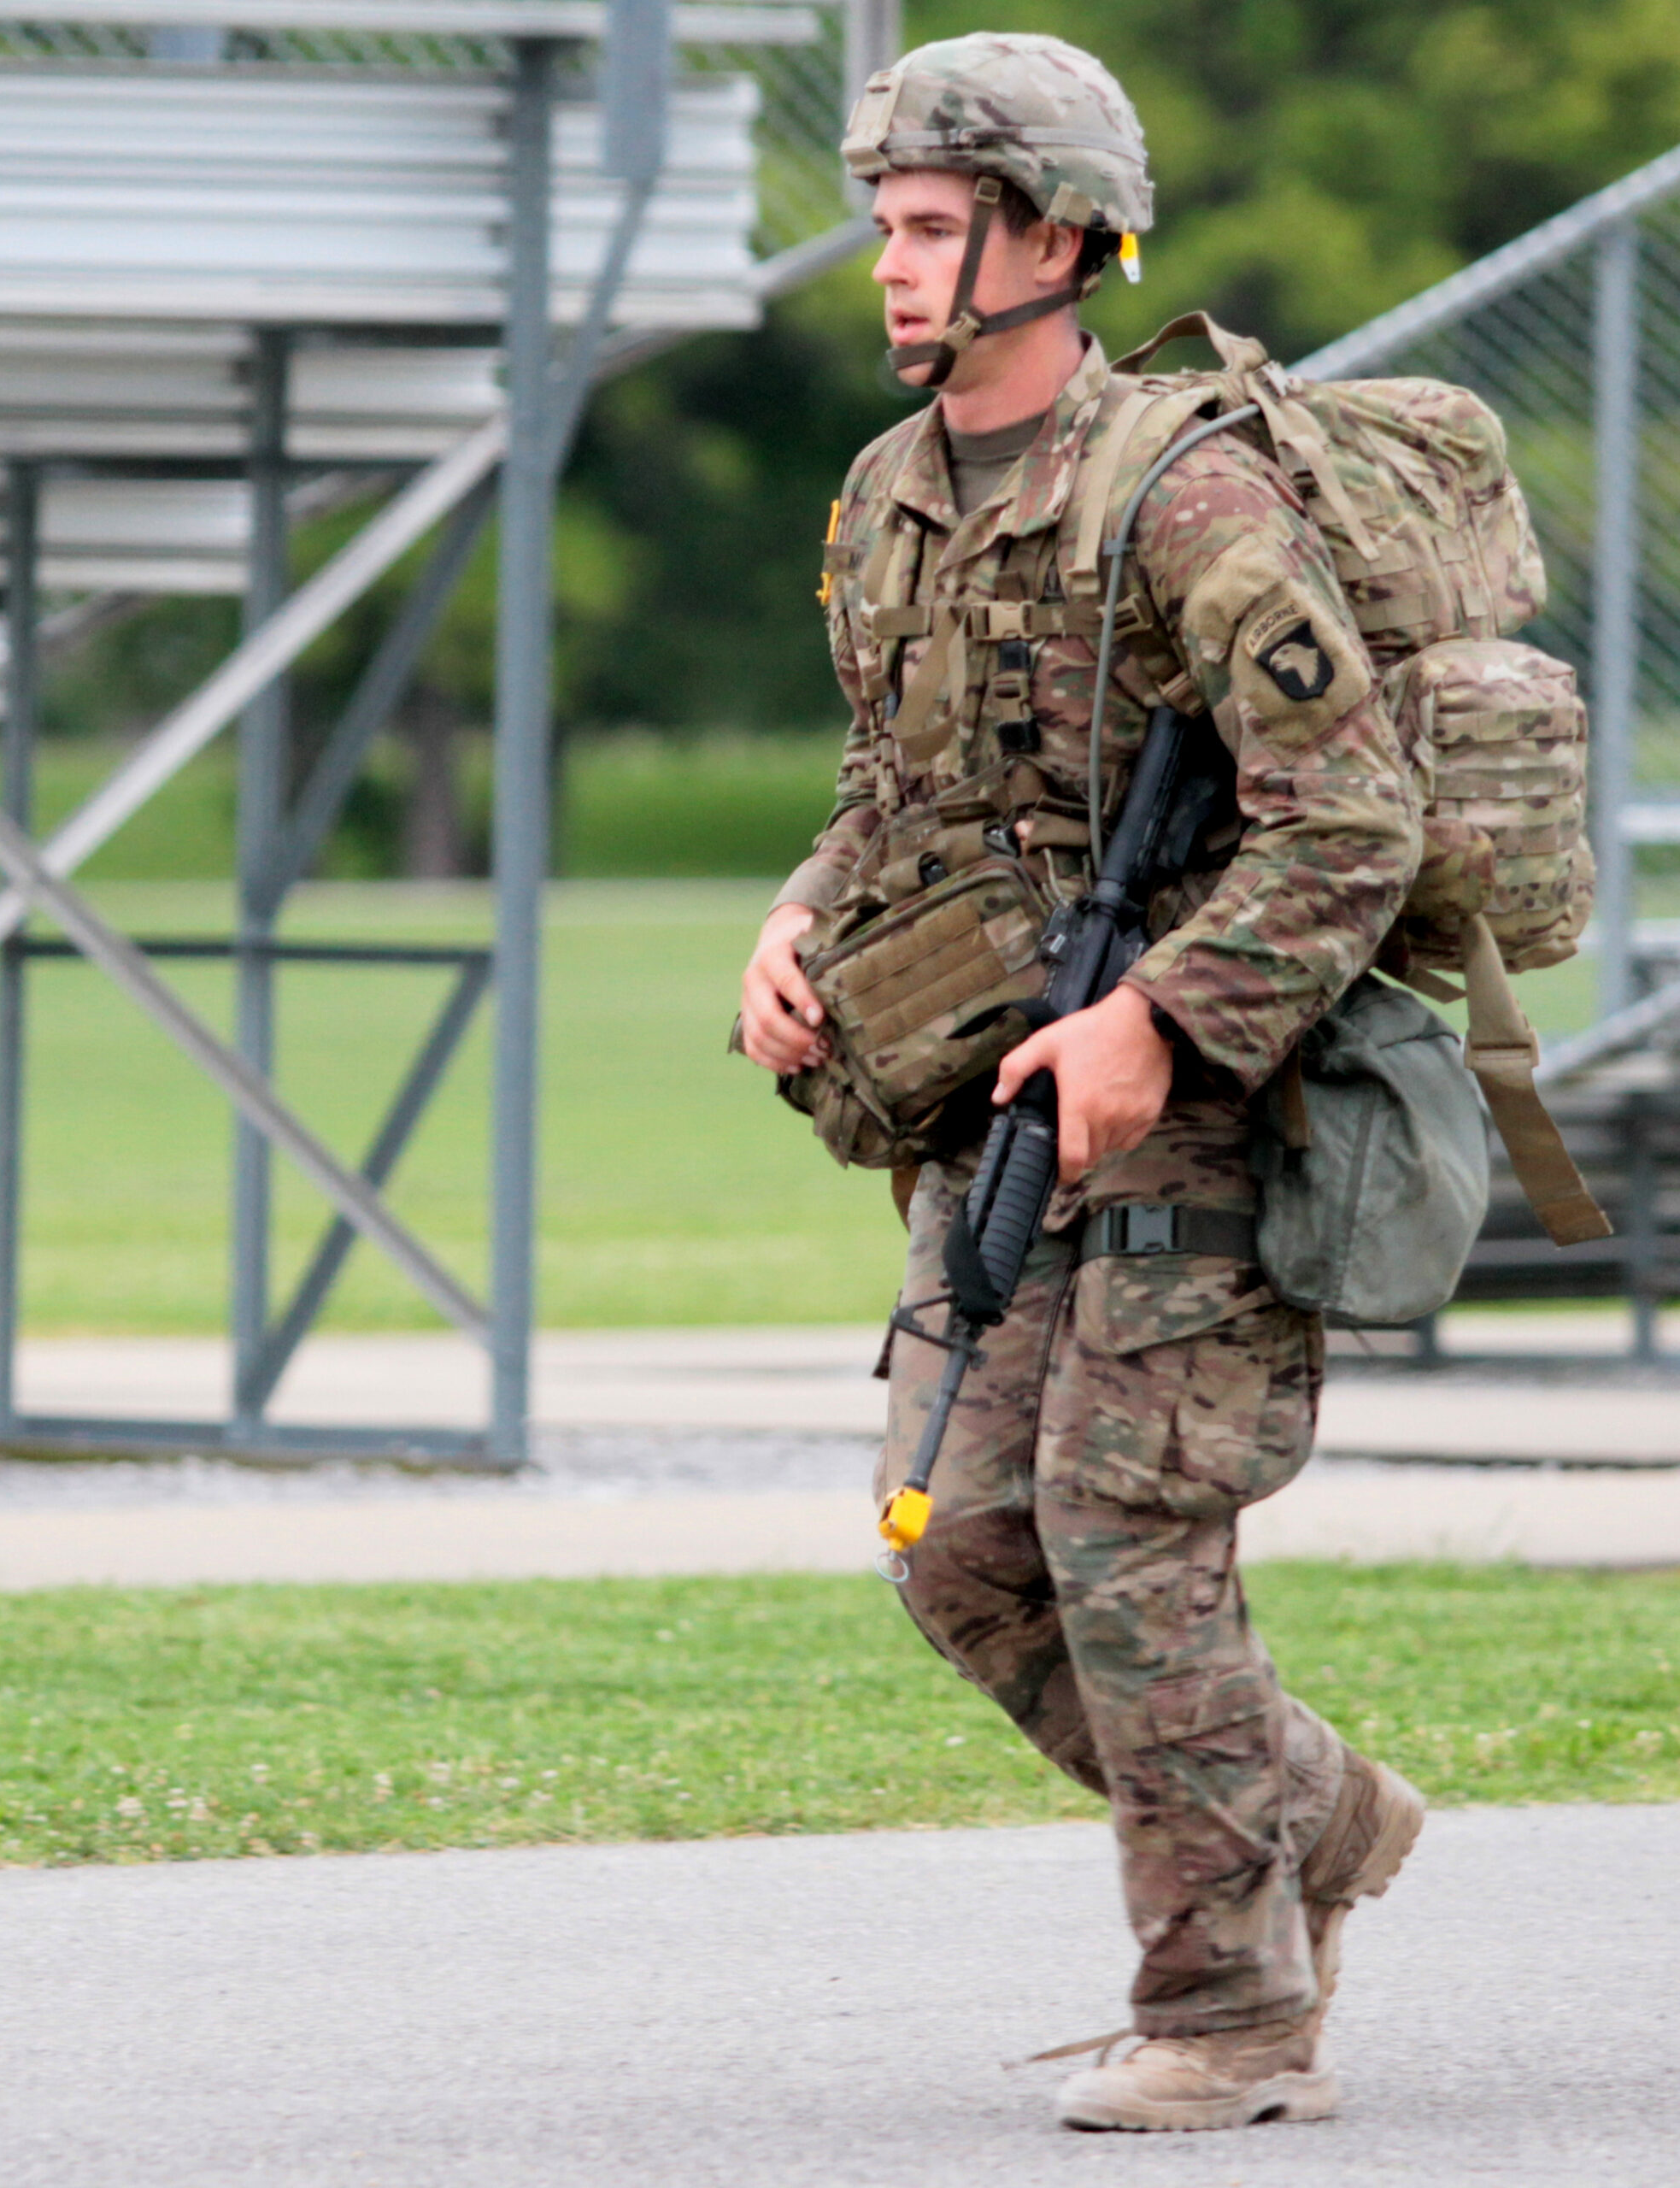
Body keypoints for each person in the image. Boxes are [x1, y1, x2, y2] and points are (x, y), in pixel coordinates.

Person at [737, 31, 1429, 2135]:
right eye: (886, 229)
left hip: (1207, 1105)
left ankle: (1229, 2011)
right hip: (986, 1115)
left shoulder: (1182, 489)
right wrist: (787, 921)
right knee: (957, 1550)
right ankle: (1312, 1817)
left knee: (1128, 1538)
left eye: (936, 228)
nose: (894, 267)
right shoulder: (884, 498)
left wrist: (1158, 1018)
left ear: (1056, 239)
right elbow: (895, 791)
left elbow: (1354, 818)